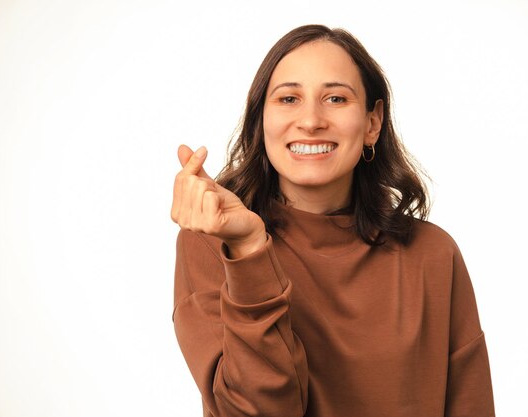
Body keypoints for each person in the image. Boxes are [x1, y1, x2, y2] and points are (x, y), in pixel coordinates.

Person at [170, 24, 495, 417]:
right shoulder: (211, 244)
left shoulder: (432, 255)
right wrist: (249, 251)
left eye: (336, 98)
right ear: (261, 121)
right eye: (289, 98)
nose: (311, 120)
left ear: (372, 122)